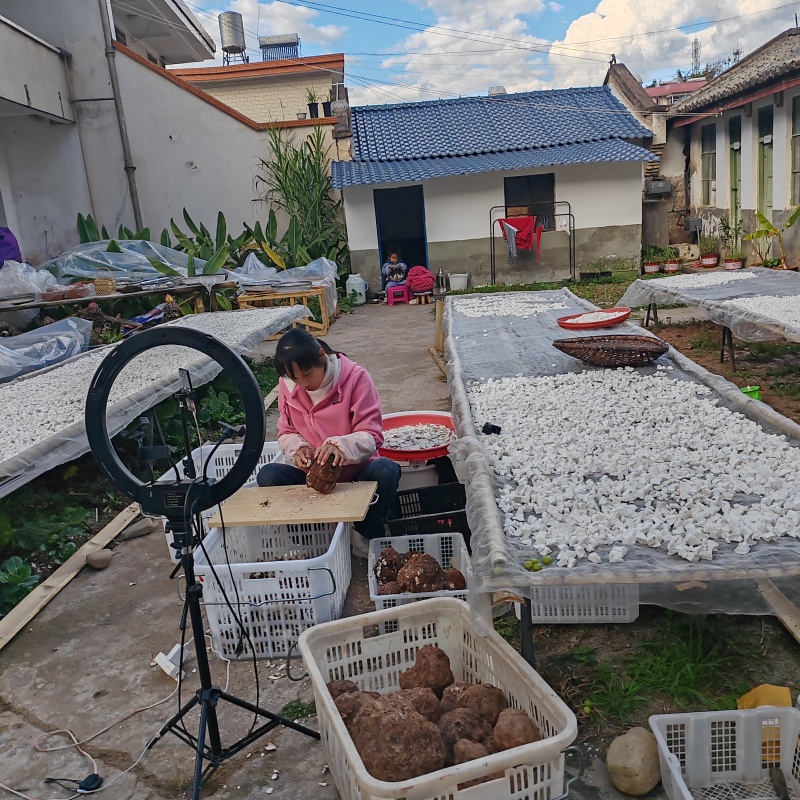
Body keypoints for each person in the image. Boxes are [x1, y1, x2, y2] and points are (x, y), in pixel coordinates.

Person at [256, 328, 401, 556]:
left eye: (307, 374)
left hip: (357, 473)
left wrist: (339, 446)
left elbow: (372, 434)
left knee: (387, 469)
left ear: (322, 356)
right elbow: (286, 431)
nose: (303, 383)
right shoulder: (288, 386)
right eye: (295, 378)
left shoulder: (355, 378)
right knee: (268, 475)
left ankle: (366, 533)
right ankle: (313, 540)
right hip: (313, 479)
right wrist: (298, 448)